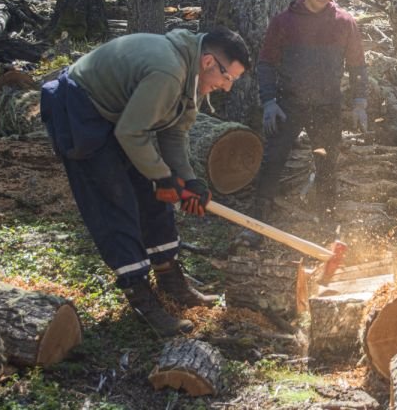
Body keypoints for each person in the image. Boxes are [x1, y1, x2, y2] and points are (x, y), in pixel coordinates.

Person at [40, 26, 251, 336]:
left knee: (153, 195)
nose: (227, 87)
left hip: (121, 117)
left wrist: (188, 180)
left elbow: (174, 132)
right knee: (116, 200)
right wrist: (163, 177)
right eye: (227, 78)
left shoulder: (192, 78)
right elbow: (131, 133)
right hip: (80, 109)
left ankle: (169, 279)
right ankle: (140, 295)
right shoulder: (168, 72)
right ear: (208, 62)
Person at [238, 0, 367, 247]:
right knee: (273, 161)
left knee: (327, 164)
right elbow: (267, 63)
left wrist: (360, 101)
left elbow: (358, 66)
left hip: (327, 105)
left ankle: (327, 225)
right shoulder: (283, 22)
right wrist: (269, 100)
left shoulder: (344, 22)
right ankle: (257, 224)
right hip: (288, 103)